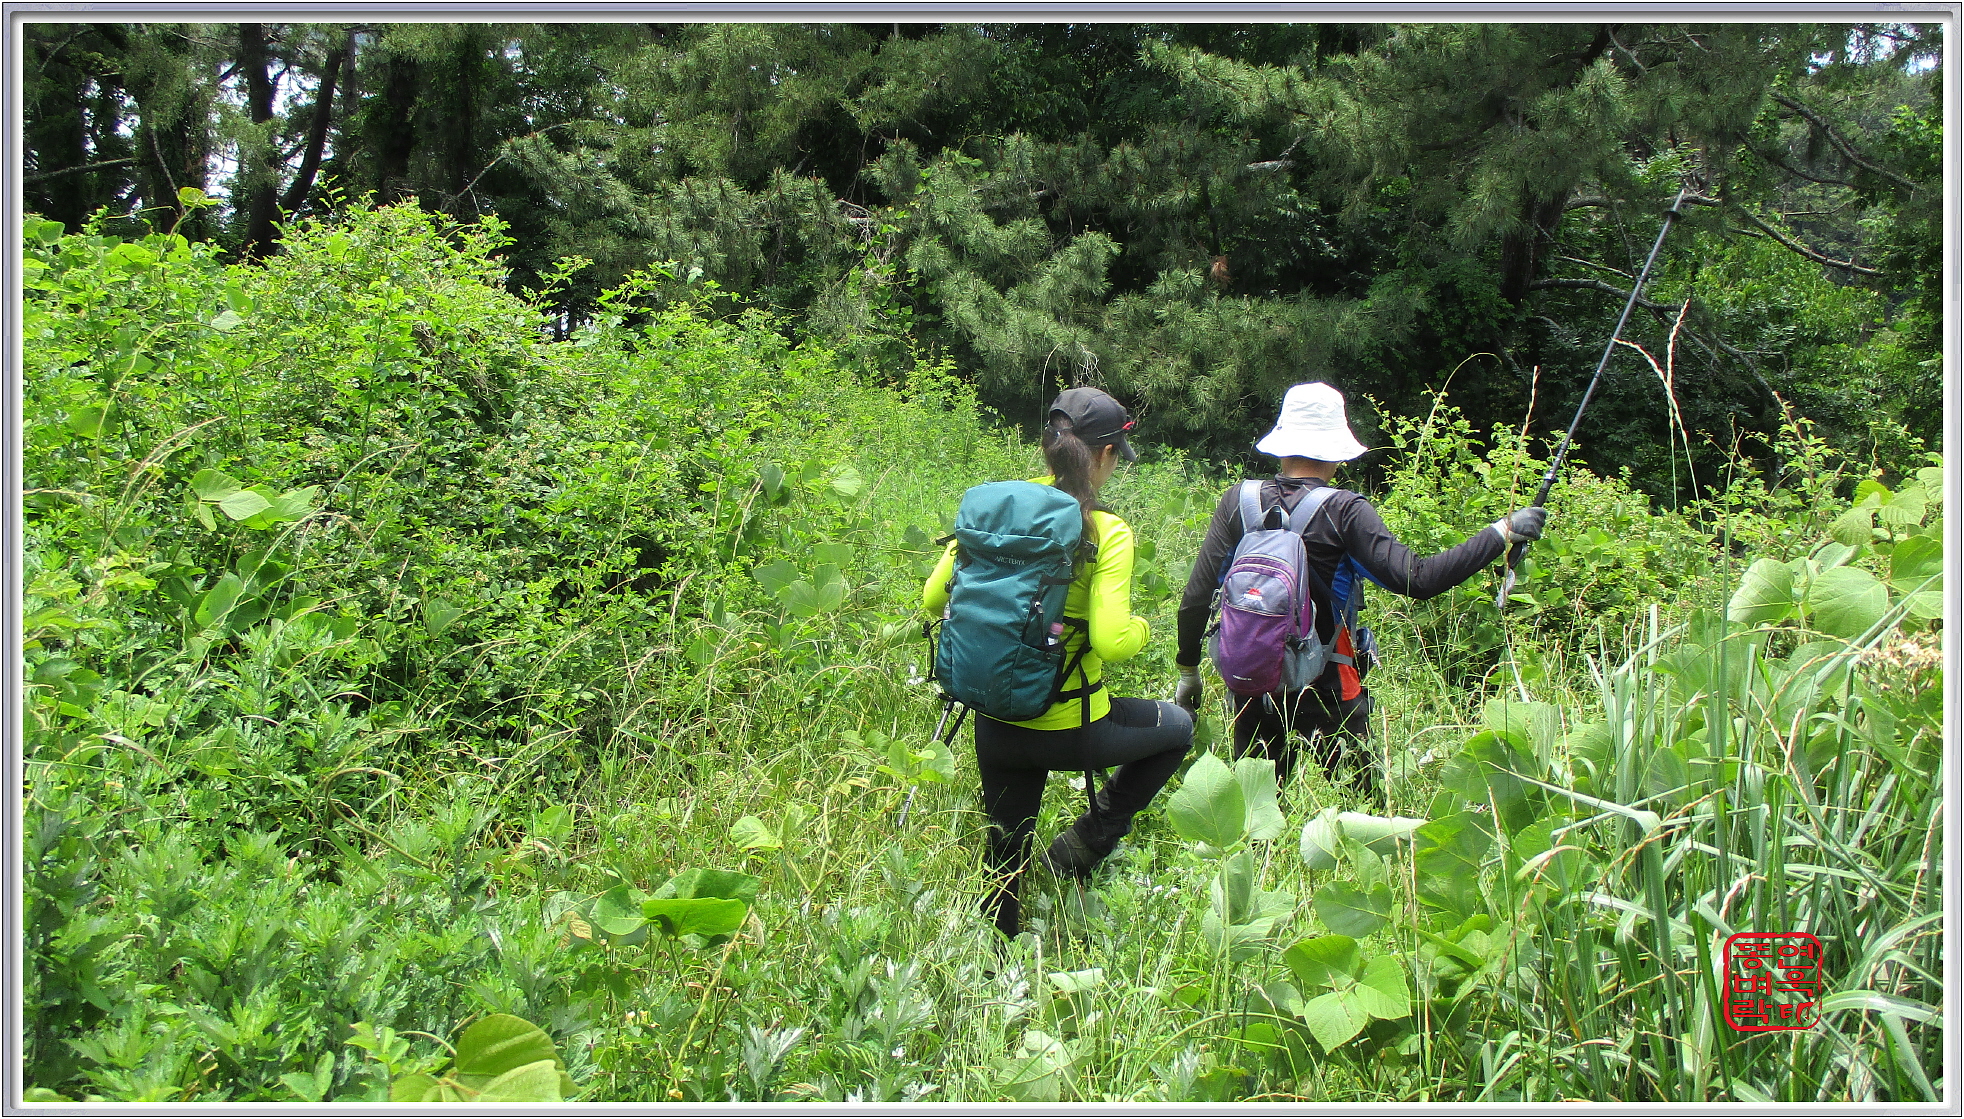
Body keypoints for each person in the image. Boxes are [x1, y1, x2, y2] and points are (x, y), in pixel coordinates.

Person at [1173, 381, 1547, 795]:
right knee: (1360, 810)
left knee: (1256, 813)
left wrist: (1189, 671)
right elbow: (1419, 579)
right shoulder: (1345, 511)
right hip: (1330, 684)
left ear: (1281, 444)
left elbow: (1196, 598)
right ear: (1336, 451)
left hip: (1252, 681)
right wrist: (1501, 532)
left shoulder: (1237, 502)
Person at [924, 387, 1194, 939]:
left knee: (1005, 846)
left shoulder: (1000, 509)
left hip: (995, 719)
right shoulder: (1107, 530)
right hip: (1072, 728)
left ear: (1049, 447)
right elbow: (1112, 641)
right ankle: (1089, 840)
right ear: (1105, 454)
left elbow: (932, 599)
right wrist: (1143, 629)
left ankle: (995, 952)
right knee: (1179, 729)